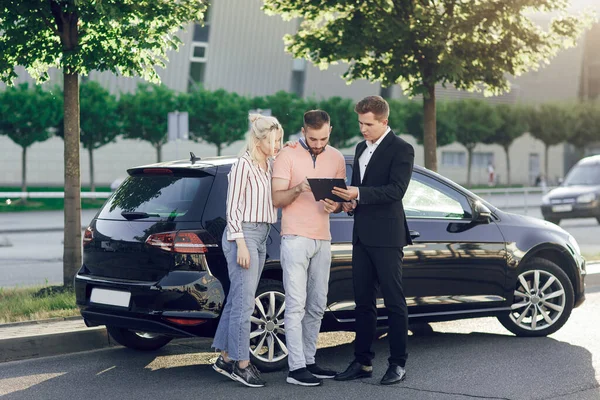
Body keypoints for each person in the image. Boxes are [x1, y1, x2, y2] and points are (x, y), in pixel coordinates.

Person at [331, 95, 414, 386]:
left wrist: (359, 194)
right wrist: (352, 202)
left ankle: (398, 364)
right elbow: (362, 190)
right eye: (360, 123)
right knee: (363, 302)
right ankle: (362, 361)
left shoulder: (402, 149)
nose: (362, 129)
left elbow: (396, 191)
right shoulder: (359, 148)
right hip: (362, 234)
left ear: (384, 121)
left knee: (394, 302)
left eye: (368, 124)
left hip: (388, 237)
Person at [271, 110, 346, 386]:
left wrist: (334, 205)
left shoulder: (336, 158)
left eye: (323, 138)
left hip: (322, 239)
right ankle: (296, 368)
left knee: (316, 305)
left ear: (331, 131)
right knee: (295, 305)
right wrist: (299, 189)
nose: (318, 143)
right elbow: (277, 198)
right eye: (313, 138)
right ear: (303, 131)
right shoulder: (287, 155)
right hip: (295, 239)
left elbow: (340, 199)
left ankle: (310, 361)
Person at [211, 114, 283, 388]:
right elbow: (233, 208)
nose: (277, 144)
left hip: (262, 235)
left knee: (239, 298)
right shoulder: (243, 165)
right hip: (243, 236)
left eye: (278, 139)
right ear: (258, 139)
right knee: (244, 304)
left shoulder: (269, 165)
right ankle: (241, 364)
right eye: (273, 140)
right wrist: (240, 243)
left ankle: (226, 356)